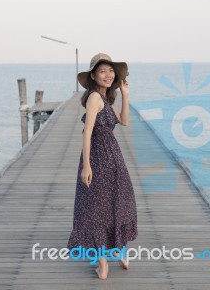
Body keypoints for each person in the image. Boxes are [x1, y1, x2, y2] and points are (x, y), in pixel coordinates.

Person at [67, 53, 138, 280]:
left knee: (101, 206)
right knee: (111, 204)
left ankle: (107, 258)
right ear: (94, 76)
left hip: (110, 157)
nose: (108, 75)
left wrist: (125, 96)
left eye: (110, 71)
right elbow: (87, 132)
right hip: (101, 157)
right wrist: (87, 166)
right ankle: (110, 257)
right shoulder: (94, 98)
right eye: (102, 71)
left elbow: (124, 121)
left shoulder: (104, 99)